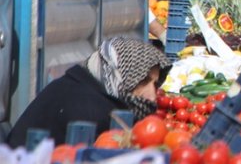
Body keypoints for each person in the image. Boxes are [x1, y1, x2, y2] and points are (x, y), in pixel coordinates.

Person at [8, 38, 169, 147]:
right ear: (117, 74)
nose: (152, 96)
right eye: (143, 81)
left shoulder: (76, 84)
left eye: (155, 84)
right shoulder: (95, 112)